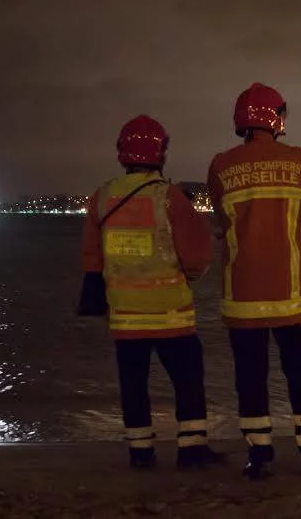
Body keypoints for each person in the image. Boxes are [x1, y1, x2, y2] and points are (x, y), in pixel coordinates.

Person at [207, 83, 301, 479]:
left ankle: (259, 457)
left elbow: (221, 218)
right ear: (278, 118)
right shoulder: (299, 162)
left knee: (249, 378)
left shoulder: (220, 165)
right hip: (291, 295)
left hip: (241, 295)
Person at [78, 114, 223, 470]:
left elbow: (91, 257)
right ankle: (191, 450)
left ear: (121, 154)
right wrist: (190, 275)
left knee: (133, 384)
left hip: (126, 317)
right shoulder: (169, 197)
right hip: (171, 314)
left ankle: (140, 453)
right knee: (187, 380)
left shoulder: (101, 198)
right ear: (161, 153)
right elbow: (198, 255)